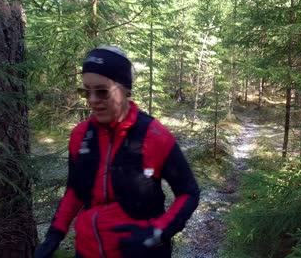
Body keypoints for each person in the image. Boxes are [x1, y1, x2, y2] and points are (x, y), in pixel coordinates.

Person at [35, 46, 200, 258]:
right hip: (87, 252)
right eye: (86, 91)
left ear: (126, 90)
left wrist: (157, 232)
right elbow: (75, 190)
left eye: (102, 91)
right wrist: (54, 234)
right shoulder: (81, 135)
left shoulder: (154, 135)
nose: (92, 100)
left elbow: (189, 192)